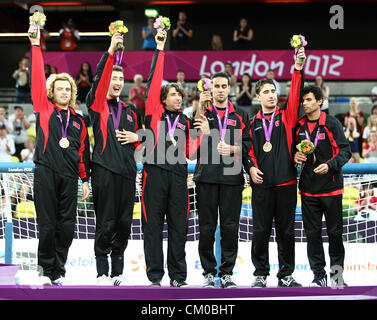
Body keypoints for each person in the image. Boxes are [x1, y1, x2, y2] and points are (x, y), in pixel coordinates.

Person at [134, 29, 208, 287]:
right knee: (152, 227)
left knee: (179, 228)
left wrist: (201, 133)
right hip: (153, 174)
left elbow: (190, 151)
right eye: (173, 94)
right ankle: (155, 277)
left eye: (180, 94)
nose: (178, 96)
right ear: (163, 99)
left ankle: (178, 277)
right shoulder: (154, 111)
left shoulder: (186, 121)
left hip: (178, 175)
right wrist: (160, 48)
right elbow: (155, 78)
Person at [28, 24, 90, 286]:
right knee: (47, 226)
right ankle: (45, 271)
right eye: (60, 89)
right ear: (52, 92)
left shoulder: (79, 120)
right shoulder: (43, 108)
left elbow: (83, 153)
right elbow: (37, 79)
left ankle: (59, 271)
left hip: (69, 176)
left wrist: (85, 180)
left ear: (72, 93)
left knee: (66, 228)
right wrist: (34, 44)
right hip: (45, 172)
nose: (64, 92)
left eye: (68, 89)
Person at [245, 47, 306, 288]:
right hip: (262, 185)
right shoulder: (252, 124)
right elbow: (246, 152)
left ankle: (286, 275)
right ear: (258, 96)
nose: (271, 95)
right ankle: (260, 274)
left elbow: (295, 93)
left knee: (286, 232)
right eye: (266, 92)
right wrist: (250, 168)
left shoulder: (287, 117)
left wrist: (297, 67)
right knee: (260, 231)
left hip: (287, 183)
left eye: (273, 91)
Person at [86, 32, 143, 286]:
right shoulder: (97, 104)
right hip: (103, 170)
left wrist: (137, 136)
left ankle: (118, 273)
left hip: (127, 172)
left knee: (123, 224)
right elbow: (98, 77)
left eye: (121, 78)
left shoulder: (131, 110)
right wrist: (110, 49)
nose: (118, 81)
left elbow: (142, 138)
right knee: (106, 223)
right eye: (114, 77)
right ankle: (101, 272)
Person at [194, 69, 251, 289]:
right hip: (206, 177)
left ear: (230, 89)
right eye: (216, 86)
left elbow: (248, 147)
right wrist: (200, 106)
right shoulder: (203, 113)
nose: (220, 90)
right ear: (211, 89)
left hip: (232, 177)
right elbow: (191, 141)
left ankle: (226, 273)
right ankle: (209, 273)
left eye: (223, 86)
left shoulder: (240, 115)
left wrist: (233, 148)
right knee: (207, 227)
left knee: (230, 227)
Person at [293, 85, 351, 287]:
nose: (305, 104)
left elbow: (345, 152)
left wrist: (330, 165)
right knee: (312, 235)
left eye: (309, 99)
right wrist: (296, 156)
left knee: (335, 235)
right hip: (308, 190)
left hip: (332, 189)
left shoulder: (332, 123)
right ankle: (319, 276)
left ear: (319, 101)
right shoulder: (298, 126)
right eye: (303, 101)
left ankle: (337, 276)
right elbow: (292, 152)